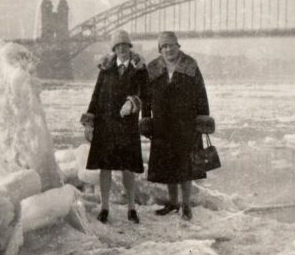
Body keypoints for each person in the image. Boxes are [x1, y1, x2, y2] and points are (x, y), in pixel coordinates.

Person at [80, 30, 148, 224]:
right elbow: (96, 95)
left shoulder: (139, 69)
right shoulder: (105, 68)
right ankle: (104, 208)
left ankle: (132, 208)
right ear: (114, 49)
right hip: (105, 123)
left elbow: (145, 94)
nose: (122, 49)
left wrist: (133, 102)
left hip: (127, 125)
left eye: (125, 46)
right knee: (105, 168)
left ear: (130, 47)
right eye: (118, 46)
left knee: (128, 168)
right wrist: (89, 122)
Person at [142, 31, 210, 220]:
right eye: (164, 46)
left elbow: (201, 93)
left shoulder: (190, 65)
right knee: (168, 166)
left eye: (171, 45)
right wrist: (146, 119)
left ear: (178, 46)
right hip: (162, 124)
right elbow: (145, 98)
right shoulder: (153, 68)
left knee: (185, 166)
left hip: (186, 123)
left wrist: (203, 119)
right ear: (160, 50)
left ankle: (186, 205)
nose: (168, 49)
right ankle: (173, 203)